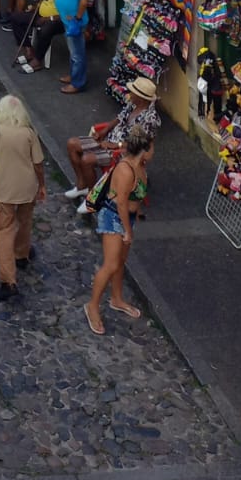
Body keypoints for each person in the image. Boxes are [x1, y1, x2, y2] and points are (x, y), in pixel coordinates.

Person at [0, 95, 46, 302]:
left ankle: (8, 281)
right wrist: (42, 185)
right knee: (25, 221)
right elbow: (39, 164)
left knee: (4, 231)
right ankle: (22, 254)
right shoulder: (29, 133)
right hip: (27, 187)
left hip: (6, 189)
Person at [84, 128, 152, 333]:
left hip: (126, 218)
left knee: (120, 262)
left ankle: (116, 298)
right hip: (114, 217)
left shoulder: (140, 165)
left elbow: (135, 196)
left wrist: (136, 215)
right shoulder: (125, 169)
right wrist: (127, 232)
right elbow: (121, 203)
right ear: (145, 149)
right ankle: (92, 306)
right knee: (111, 264)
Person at [64, 76, 161, 204]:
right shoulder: (133, 104)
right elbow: (119, 118)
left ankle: (93, 197)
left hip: (124, 152)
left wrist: (115, 145)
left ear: (141, 98)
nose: (130, 94)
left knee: (86, 160)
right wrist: (104, 131)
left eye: (133, 92)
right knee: (72, 144)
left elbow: (140, 144)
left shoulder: (150, 119)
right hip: (110, 140)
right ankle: (82, 185)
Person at [54, 0, 91, 94]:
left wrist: (77, 18)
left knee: (77, 54)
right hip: (68, 21)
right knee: (73, 52)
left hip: (74, 23)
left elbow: (83, 2)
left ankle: (78, 83)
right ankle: (73, 75)